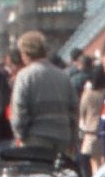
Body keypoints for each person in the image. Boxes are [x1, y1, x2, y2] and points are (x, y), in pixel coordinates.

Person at [9, 31, 76, 161]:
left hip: (36, 139)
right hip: (62, 137)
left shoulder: (25, 76)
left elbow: (19, 109)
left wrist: (20, 135)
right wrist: (71, 137)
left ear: (25, 53)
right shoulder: (63, 76)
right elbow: (73, 109)